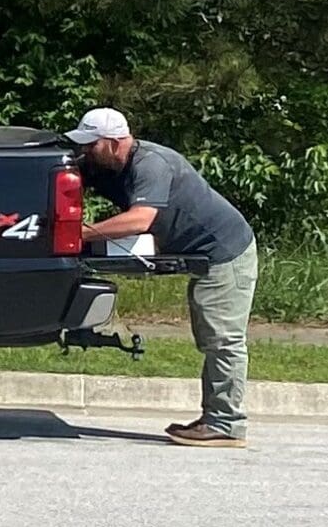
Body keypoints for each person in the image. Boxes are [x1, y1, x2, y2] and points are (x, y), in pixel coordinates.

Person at [69, 108, 259, 447]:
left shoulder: (152, 165)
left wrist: (79, 234)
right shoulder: (108, 164)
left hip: (225, 252)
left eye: (91, 145)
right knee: (212, 336)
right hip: (203, 253)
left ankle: (226, 424)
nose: (85, 152)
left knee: (222, 339)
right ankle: (216, 418)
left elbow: (140, 219)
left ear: (114, 143)